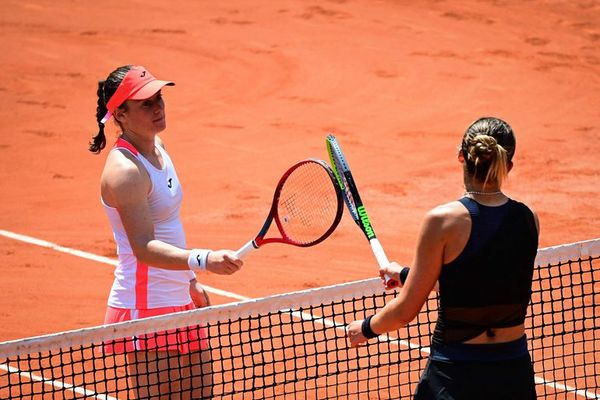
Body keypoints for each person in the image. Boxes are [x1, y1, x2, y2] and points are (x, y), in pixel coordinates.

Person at [346, 117, 539, 399]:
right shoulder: (528, 219)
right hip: (514, 375)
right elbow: (481, 284)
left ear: (461, 157)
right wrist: (404, 275)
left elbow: (405, 312)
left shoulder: (443, 221)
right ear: (508, 164)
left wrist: (365, 328)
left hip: (456, 376)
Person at [89, 65, 243, 399]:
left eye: (158, 97)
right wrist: (204, 260)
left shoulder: (159, 149)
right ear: (120, 114)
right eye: (145, 103)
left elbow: (169, 228)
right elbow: (144, 247)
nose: (158, 107)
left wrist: (188, 281)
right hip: (146, 307)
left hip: (178, 299)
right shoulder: (125, 172)